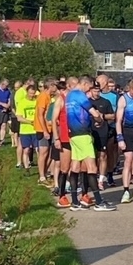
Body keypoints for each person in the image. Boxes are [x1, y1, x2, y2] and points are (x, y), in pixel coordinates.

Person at [66, 76, 116, 211]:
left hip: (74, 134)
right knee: (92, 168)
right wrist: (99, 118)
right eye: (89, 87)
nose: (89, 90)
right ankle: (99, 202)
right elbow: (94, 113)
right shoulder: (80, 95)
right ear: (85, 83)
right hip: (83, 134)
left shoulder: (69, 96)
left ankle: (75, 202)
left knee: (75, 166)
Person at [52, 77, 78, 208]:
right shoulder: (61, 99)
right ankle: (62, 196)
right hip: (64, 137)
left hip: (77, 136)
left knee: (76, 167)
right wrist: (56, 138)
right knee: (64, 167)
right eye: (74, 85)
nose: (76, 87)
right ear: (68, 85)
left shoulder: (78, 98)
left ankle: (75, 196)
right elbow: (54, 119)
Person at [89, 81, 115, 190]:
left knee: (103, 155)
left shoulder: (105, 102)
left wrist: (102, 116)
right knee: (92, 156)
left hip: (102, 132)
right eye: (94, 90)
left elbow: (113, 116)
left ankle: (101, 180)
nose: (96, 93)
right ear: (90, 91)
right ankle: (91, 178)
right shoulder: (87, 102)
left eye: (98, 91)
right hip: (90, 131)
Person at [34, 77, 58, 187]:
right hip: (42, 128)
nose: (56, 88)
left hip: (50, 128)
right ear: (51, 86)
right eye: (55, 86)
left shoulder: (50, 97)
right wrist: (45, 131)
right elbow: (40, 114)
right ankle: (41, 176)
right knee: (43, 152)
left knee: (49, 153)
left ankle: (44, 173)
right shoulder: (43, 96)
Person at [98, 76, 119, 186]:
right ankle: (99, 174)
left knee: (109, 152)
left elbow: (118, 112)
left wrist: (105, 117)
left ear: (105, 82)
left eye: (99, 81)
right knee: (99, 153)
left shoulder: (114, 96)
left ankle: (110, 175)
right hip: (97, 128)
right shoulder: (95, 94)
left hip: (111, 127)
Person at [15, 85, 38, 175]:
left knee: (38, 150)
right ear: (27, 92)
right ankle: (26, 168)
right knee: (26, 150)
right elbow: (19, 118)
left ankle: (42, 169)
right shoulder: (22, 103)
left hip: (36, 130)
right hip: (25, 130)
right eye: (30, 93)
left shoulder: (37, 101)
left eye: (33, 93)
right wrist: (30, 122)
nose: (31, 95)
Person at [0, 78, 11, 147]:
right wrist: (2, 104)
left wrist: (7, 105)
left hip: (5, 110)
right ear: (2, 84)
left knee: (4, 125)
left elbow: (9, 98)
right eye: (6, 86)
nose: (7, 87)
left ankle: (2, 140)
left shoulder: (7, 91)